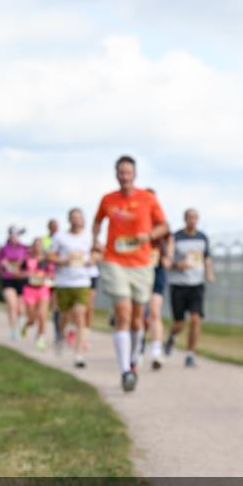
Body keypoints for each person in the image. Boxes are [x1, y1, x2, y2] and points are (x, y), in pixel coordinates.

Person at [92, 155, 168, 391]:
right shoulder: (108, 199)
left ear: (134, 175)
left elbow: (164, 226)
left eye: (128, 172)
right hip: (115, 261)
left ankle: (134, 359)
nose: (124, 176)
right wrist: (95, 241)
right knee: (123, 313)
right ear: (116, 174)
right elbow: (97, 221)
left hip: (141, 263)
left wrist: (150, 235)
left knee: (138, 318)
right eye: (121, 172)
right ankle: (125, 370)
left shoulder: (148, 198)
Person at [165, 208, 214, 368]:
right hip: (178, 285)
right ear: (185, 219)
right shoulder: (176, 237)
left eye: (195, 217)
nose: (192, 220)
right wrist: (177, 265)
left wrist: (209, 273)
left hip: (196, 285)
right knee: (180, 323)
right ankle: (172, 337)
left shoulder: (202, 238)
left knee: (195, 319)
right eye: (189, 217)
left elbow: (206, 258)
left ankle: (190, 354)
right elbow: (167, 260)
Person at [50, 208, 98, 368]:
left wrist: (93, 259)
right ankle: (60, 336)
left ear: (83, 219)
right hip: (64, 282)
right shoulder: (60, 237)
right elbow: (49, 255)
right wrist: (63, 260)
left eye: (79, 217)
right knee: (64, 317)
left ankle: (78, 355)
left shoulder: (89, 237)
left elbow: (99, 252)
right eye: (74, 217)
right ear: (69, 220)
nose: (77, 220)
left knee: (79, 315)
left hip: (82, 281)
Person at [141, 189, 173, 370]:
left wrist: (168, 256)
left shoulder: (162, 223)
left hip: (157, 270)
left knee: (154, 311)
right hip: (137, 270)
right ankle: (138, 345)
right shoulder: (136, 222)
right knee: (139, 315)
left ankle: (156, 351)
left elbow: (170, 239)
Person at [20, 237, 54, 350]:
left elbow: (51, 274)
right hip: (29, 290)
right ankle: (26, 326)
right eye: (35, 245)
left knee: (42, 315)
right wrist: (27, 274)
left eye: (39, 245)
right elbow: (19, 272)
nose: (37, 247)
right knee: (32, 318)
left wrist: (44, 275)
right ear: (33, 247)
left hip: (43, 289)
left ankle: (41, 338)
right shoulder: (26, 259)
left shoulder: (46, 260)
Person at [0, 226, 29, 339]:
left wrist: (24, 270)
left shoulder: (24, 248)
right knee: (12, 305)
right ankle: (13, 330)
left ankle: (20, 324)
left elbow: (29, 264)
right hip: (8, 279)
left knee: (21, 309)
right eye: (13, 234)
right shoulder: (4, 249)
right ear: (9, 235)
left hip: (20, 280)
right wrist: (3, 264)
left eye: (17, 234)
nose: (15, 236)